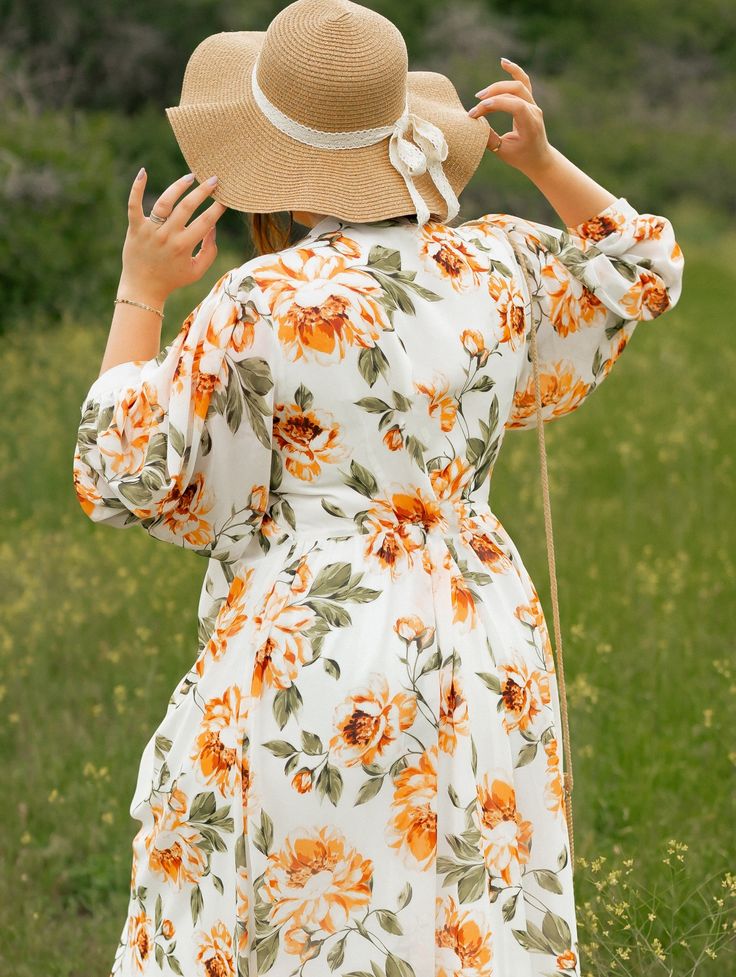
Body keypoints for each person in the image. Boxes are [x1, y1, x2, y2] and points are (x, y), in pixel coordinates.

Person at [72, 1, 684, 975]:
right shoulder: (498, 259)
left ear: (271, 158)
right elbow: (642, 266)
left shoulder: (258, 300)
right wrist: (540, 163)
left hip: (315, 637)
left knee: (311, 900)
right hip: (485, 628)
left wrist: (140, 292)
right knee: (471, 891)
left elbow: (121, 465)